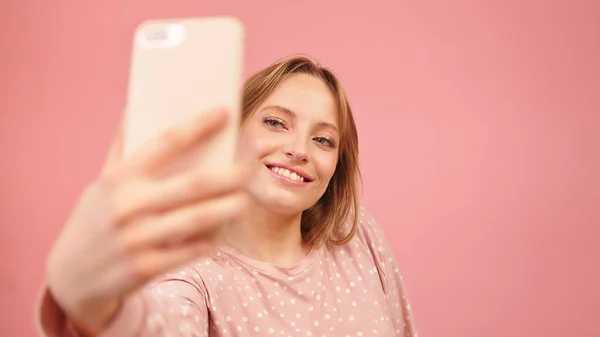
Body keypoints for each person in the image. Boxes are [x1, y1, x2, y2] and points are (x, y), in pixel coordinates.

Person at [36, 55, 418, 337]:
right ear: (231, 135)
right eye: (275, 122)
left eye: (323, 139)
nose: (299, 149)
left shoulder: (356, 233)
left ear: (337, 164)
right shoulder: (190, 271)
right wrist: (92, 308)